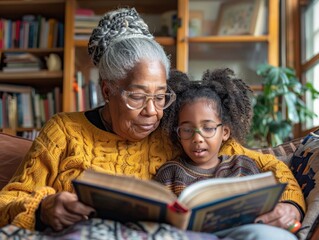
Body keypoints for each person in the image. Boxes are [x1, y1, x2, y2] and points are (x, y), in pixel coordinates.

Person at [0, 7, 305, 240]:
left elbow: (271, 166)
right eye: (137, 96)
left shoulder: (176, 127)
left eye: (161, 96)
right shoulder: (63, 131)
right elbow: (10, 199)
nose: (153, 112)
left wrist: (292, 206)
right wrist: (44, 208)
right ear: (108, 91)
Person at [155, 68, 303, 240]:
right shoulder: (170, 173)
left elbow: (262, 209)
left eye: (208, 128)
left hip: (242, 232)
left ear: (224, 132)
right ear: (178, 133)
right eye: (187, 130)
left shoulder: (243, 166)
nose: (197, 138)